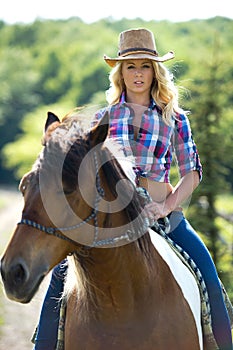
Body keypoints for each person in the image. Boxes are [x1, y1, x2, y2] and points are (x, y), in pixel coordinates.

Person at [34, 28, 232, 350]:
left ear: (155, 72)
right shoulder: (103, 120)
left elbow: (193, 172)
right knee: (60, 274)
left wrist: (165, 207)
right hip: (110, 221)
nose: (137, 74)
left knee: (208, 275)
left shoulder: (175, 118)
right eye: (130, 66)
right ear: (120, 73)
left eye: (144, 66)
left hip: (163, 218)